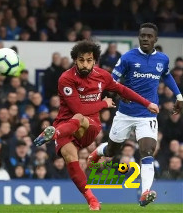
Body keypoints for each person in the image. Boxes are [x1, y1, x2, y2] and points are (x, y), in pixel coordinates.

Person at [33, 40, 159, 211]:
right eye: (81, 60)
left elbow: (122, 90)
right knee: (70, 157)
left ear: (95, 61)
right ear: (75, 60)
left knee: (79, 117)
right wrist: (104, 103)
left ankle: (52, 134)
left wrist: (147, 103)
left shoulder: (103, 76)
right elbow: (78, 107)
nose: (85, 64)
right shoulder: (66, 78)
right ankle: (92, 200)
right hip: (65, 125)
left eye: (89, 60)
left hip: (89, 127)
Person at [88, 22, 183, 207]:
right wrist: (118, 94)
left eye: (149, 36)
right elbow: (112, 80)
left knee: (147, 151)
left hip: (147, 115)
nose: (145, 39)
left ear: (155, 39)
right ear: (139, 38)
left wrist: (179, 95)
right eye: (142, 36)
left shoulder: (162, 59)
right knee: (112, 151)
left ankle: (145, 191)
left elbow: (167, 75)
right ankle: (98, 152)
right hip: (125, 113)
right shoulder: (128, 57)